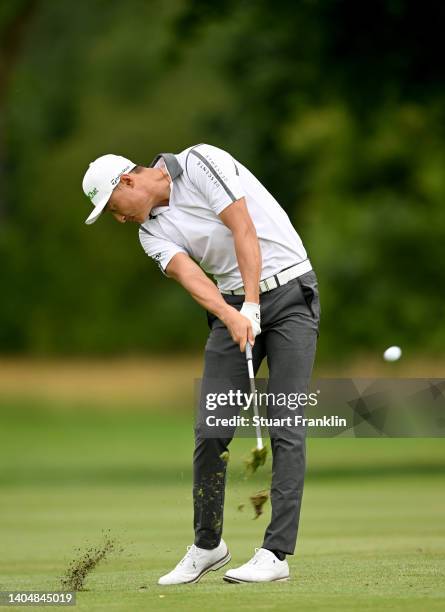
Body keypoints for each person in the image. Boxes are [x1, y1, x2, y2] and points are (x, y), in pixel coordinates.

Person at [82, 143, 320, 584]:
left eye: (115, 207)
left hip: (290, 293)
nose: (119, 218)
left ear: (129, 181)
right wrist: (234, 313)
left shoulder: (198, 162)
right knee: (211, 428)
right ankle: (208, 545)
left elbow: (242, 227)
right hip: (229, 302)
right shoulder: (149, 232)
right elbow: (190, 276)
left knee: (285, 423)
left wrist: (252, 303)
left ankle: (275, 553)